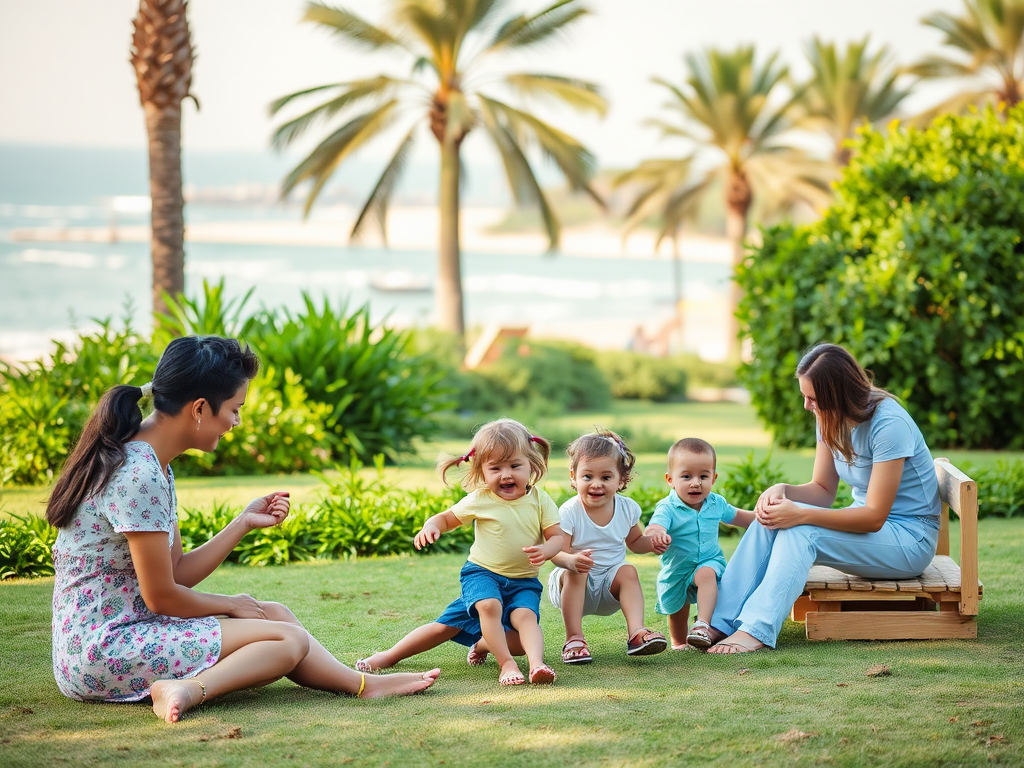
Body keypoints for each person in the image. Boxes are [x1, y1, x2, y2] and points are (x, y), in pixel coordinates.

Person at [47, 335, 439, 725]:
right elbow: (161, 596)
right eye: (235, 409)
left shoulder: (154, 464)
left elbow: (177, 571)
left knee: (276, 614)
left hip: (130, 629)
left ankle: (361, 684)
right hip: (104, 650)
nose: (236, 422)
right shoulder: (140, 475)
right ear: (200, 408)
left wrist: (243, 523)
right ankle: (185, 689)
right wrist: (230, 603)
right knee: (287, 638)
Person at [706, 343, 942, 653]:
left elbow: (873, 517)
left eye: (812, 398)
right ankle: (718, 623)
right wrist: (783, 491)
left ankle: (756, 630)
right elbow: (822, 490)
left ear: (838, 395)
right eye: (805, 396)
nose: (807, 406)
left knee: (802, 529)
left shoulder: (889, 424)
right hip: (871, 530)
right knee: (774, 517)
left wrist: (801, 515)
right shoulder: (829, 416)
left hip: (910, 539)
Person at [355, 419, 563, 685]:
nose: (506, 474)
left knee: (522, 627)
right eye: (495, 468)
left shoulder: (540, 500)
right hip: (483, 574)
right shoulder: (481, 499)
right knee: (455, 622)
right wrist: (431, 527)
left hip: (523, 581)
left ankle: (534, 665)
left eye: (514, 465)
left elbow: (557, 538)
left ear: (531, 464)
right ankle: (389, 656)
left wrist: (547, 549)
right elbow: (444, 519)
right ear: (482, 471)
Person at [547, 429, 668, 664]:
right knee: (578, 570)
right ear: (574, 476)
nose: (596, 484)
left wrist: (652, 543)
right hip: (570, 585)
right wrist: (571, 560)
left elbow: (634, 543)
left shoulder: (627, 508)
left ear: (621, 479)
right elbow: (556, 552)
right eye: (587, 476)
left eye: (606, 477)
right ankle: (574, 639)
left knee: (629, 570)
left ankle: (636, 634)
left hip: (608, 586)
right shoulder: (570, 511)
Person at [645, 438, 754, 650]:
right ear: (670, 479)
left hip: (709, 560)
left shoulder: (716, 503)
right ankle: (680, 643)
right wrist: (656, 533)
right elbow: (655, 526)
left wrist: (764, 517)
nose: (696, 482)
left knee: (706, 573)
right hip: (677, 567)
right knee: (678, 610)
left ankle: (703, 625)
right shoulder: (668, 507)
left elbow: (742, 518)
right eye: (686, 476)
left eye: (703, 476)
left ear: (713, 478)